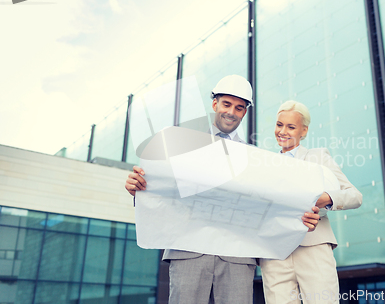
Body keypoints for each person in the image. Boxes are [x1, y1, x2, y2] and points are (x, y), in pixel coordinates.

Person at [125, 76, 321, 304]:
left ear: (244, 113)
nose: (231, 112)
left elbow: (267, 204)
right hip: (189, 250)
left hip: (236, 257)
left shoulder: (253, 159)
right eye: (226, 104)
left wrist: (300, 217)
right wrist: (139, 190)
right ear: (214, 104)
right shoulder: (180, 145)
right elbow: (165, 190)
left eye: (239, 108)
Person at [260, 100, 363, 304]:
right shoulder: (264, 164)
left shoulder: (318, 157)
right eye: (279, 125)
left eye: (291, 127)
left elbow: (355, 196)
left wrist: (326, 198)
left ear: (303, 131)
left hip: (313, 246)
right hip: (275, 254)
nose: (283, 131)